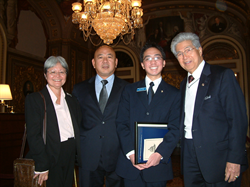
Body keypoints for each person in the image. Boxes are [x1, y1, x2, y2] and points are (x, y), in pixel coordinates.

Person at [170, 32, 248, 187]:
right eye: (179, 53)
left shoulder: (222, 76)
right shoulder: (183, 84)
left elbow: (237, 120)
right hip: (189, 156)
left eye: (188, 50)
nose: (184, 56)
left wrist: (234, 158)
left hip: (219, 157)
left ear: (199, 50)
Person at [115, 42, 180, 187]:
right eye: (148, 58)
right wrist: (131, 153)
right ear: (142, 65)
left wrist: (160, 154)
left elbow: (175, 128)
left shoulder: (174, 94)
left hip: (158, 166)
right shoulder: (129, 91)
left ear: (163, 63)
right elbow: (121, 123)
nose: (153, 62)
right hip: (130, 165)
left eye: (157, 58)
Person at [72, 45, 129, 187]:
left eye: (109, 57)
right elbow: (74, 122)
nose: (105, 61)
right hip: (88, 154)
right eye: (100, 57)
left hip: (119, 154)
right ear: (93, 63)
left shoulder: (129, 89)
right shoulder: (79, 89)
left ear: (115, 62)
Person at [25, 56, 82, 187]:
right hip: (49, 155)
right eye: (52, 71)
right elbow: (33, 135)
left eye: (62, 71)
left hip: (70, 154)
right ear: (45, 75)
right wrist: (42, 165)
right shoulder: (35, 99)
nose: (58, 75)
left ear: (66, 75)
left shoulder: (72, 100)